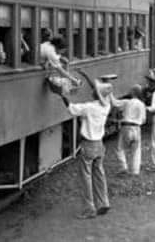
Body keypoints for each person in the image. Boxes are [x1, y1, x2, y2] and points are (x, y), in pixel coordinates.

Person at [58, 70, 113, 219]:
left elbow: (72, 109)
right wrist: (88, 77)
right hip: (100, 145)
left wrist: (62, 94)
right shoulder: (106, 106)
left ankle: (89, 209)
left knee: (86, 178)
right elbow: (97, 92)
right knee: (99, 174)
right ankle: (103, 202)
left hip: (88, 145)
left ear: (95, 94)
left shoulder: (89, 107)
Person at [113, 84, 146, 176]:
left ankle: (123, 166)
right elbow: (143, 120)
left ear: (133, 92)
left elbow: (114, 102)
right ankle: (135, 171)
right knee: (136, 150)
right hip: (137, 127)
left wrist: (109, 91)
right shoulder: (142, 104)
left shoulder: (127, 102)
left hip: (126, 126)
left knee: (120, 148)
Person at [40, 29, 81, 94]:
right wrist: (73, 80)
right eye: (63, 51)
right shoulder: (51, 53)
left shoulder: (49, 44)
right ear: (59, 48)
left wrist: (65, 63)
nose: (63, 53)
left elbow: (60, 58)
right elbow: (61, 71)